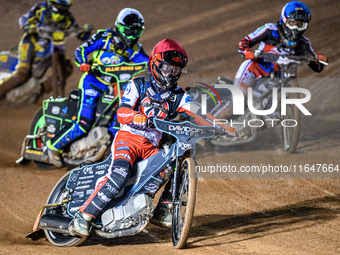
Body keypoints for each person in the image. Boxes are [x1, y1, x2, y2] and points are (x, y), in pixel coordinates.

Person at [68, 39, 236, 236]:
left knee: (173, 162)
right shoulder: (137, 84)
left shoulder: (179, 95)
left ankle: (164, 208)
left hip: (151, 146)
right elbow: (122, 111)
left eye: (175, 70)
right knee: (119, 174)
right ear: (155, 64)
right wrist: (134, 116)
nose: (170, 74)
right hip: (128, 138)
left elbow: (198, 113)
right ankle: (83, 216)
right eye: (166, 68)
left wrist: (218, 125)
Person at [45, 8, 149, 168]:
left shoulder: (135, 50)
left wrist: (164, 67)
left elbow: (150, 63)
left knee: (119, 123)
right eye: (129, 30)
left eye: (136, 32)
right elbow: (81, 50)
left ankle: (117, 161)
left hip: (114, 88)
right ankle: (52, 147)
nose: (132, 35)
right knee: (84, 122)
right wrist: (83, 63)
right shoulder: (105, 37)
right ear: (120, 27)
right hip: (92, 82)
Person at [217, 1, 328, 119]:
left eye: (300, 24)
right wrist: (247, 52)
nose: (295, 28)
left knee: (273, 115)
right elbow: (245, 42)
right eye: (292, 22)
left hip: (275, 80)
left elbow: (318, 67)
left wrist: (319, 59)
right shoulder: (270, 30)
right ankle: (208, 125)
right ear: (285, 20)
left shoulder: (303, 44)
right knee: (237, 99)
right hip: (254, 70)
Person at [0, 0, 92, 98]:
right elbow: (24, 18)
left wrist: (85, 31)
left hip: (54, 46)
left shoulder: (68, 18)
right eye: (58, 5)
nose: (60, 9)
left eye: (63, 6)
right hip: (32, 42)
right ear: (51, 3)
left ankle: (40, 91)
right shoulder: (41, 8)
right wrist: (28, 25)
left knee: (67, 68)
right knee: (23, 72)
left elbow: (80, 34)